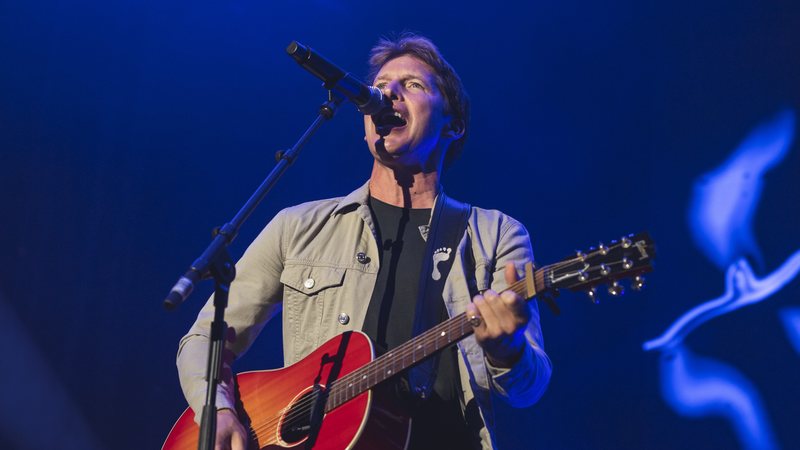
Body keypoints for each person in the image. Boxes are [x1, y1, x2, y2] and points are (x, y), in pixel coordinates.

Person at [177, 33, 552, 450]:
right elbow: (204, 342)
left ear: (453, 124)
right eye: (382, 84)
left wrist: (507, 349)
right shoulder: (298, 227)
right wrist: (219, 410)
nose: (387, 92)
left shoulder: (495, 234)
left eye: (412, 85)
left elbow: (528, 388)